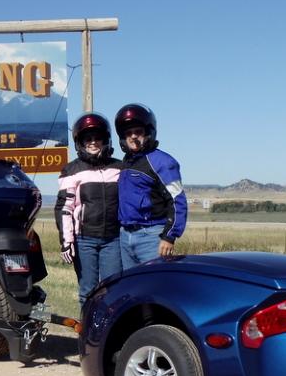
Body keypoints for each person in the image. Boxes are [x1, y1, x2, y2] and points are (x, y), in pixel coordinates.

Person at [54, 113, 123, 307]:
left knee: (113, 290)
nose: (93, 142)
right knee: (88, 291)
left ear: (105, 139)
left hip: (113, 239)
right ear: (80, 142)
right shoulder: (72, 170)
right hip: (84, 240)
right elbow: (65, 207)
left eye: (97, 137)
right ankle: (87, 326)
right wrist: (66, 241)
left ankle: (109, 326)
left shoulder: (119, 167)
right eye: (87, 138)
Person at [115, 103, 187, 269]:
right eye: (128, 133)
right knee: (131, 283)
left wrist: (169, 236)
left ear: (148, 132)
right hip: (126, 235)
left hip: (151, 236)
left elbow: (177, 200)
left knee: (154, 282)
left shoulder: (162, 162)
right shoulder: (127, 162)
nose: (133, 136)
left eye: (138, 132)